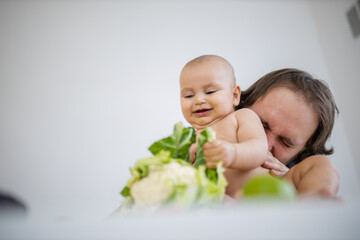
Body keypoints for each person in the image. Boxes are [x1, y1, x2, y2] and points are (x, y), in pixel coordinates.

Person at [237, 68, 340, 197]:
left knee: (323, 165)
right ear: (242, 105)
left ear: (302, 154)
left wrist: (294, 184)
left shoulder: (287, 177)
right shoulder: (216, 126)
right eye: (261, 124)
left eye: (285, 142)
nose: (265, 144)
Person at [179, 55, 269, 197]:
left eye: (210, 92)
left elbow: (259, 148)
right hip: (224, 203)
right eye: (188, 96)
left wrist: (233, 154)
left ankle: (308, 198)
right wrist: (184, 162)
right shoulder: (187, 139)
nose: (198, 100)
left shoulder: (241, 117)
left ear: (234, 95)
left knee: (316, 164)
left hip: (265, 192)